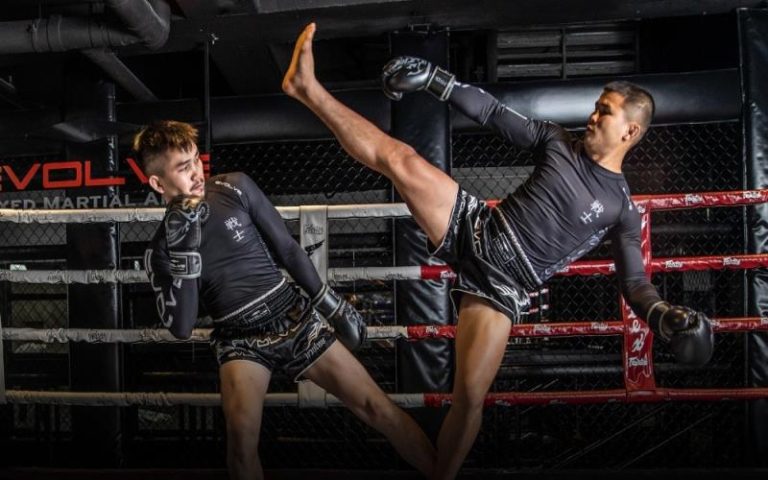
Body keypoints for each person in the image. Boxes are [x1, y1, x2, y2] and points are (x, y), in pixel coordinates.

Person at [282, 22, 715, 480]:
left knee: (469, 397)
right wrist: (434, 79)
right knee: (399, 158)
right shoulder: (556, 140)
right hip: (476, 228)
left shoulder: (622, 209)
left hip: (503, 287)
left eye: (604, 112)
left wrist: (662, 314)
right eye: (595, 107)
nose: (592, 116)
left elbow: (635, 284)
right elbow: (492, 113)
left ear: (629, 130)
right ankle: (307, 88)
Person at [134, 120, 435, 480]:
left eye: (197, 159)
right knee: (241, 444)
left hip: (292, 316)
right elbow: (182, 327)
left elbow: (288, 249)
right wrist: (184, 253)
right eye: (184, 168)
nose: (197, 172)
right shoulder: (160, 250)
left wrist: (331, 304)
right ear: (157, 183)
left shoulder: (233, 186)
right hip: (239, 339)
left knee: (376, 407)